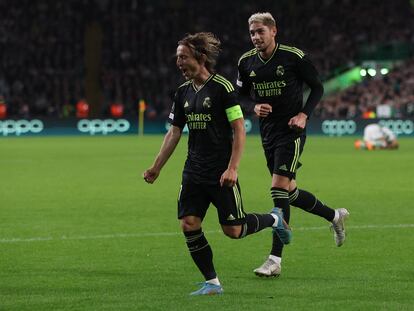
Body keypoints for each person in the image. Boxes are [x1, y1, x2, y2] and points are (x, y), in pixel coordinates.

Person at [143, 32, 291, 295]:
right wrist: (156, 167)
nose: (178, 63)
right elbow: (175, 132)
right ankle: (212, 283)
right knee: (189, 223)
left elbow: (239, 128)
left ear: (200, 58)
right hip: (193, 171)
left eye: (183, 57)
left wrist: (233, 167)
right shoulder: (182, 93)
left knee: (233, 231)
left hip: (220, 171)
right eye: (177, 58)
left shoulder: (222, 87)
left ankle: (274, 219)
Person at [236, 12, 349, 277]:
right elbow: (239, 94)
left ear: (273, 31)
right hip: (267, 133)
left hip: (291, 131)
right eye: (252, 33)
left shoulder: (294, 57)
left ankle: (274, 260)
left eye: (260, 31)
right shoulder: (245, 62)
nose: (256, 37)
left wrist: (303, 114)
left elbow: (317, 88)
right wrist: (253, 105)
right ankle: (334, 216)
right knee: (290, 192)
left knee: (277, 188)